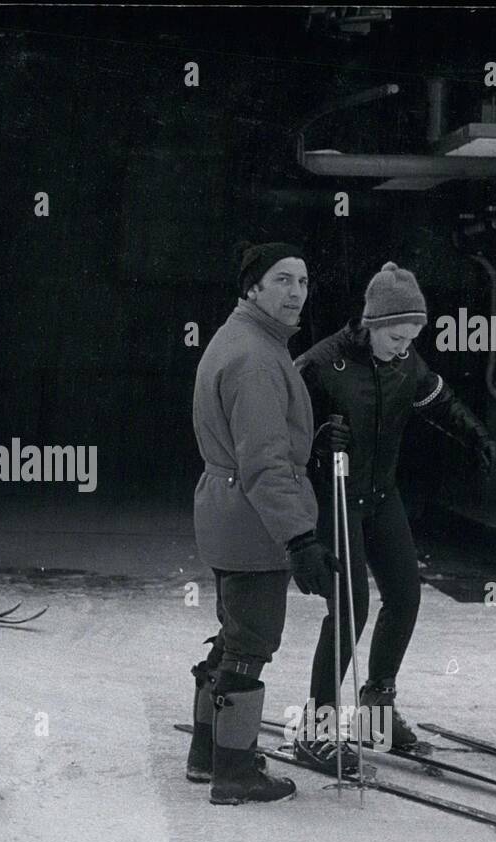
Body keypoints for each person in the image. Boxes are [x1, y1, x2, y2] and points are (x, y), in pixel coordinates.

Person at [294, 262, 496, 761]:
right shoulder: (320, 364)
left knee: (405, 595)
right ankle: (317, 726)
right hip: (335, 497)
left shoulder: (408, 363)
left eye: (411, 337)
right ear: (372, 322)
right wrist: (317, 444)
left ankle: (375, 712)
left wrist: (476, 433)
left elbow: (438, 399)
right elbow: (282, 429)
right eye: (395, 337)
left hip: (381, 497)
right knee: (350, 608)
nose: (403, 347)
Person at [185, 241, 334, 805]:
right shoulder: (255, 357)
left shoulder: (246, 340)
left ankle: (207, 754)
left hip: (228, 511)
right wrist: (299, 538)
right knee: (251, 644)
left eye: (302, 280)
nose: (296, 292)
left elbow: (263, 444)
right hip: (254, 522)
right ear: (252, 288)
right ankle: (234, 771)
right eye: (282, 280)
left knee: (234, 636)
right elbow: (266, 463)